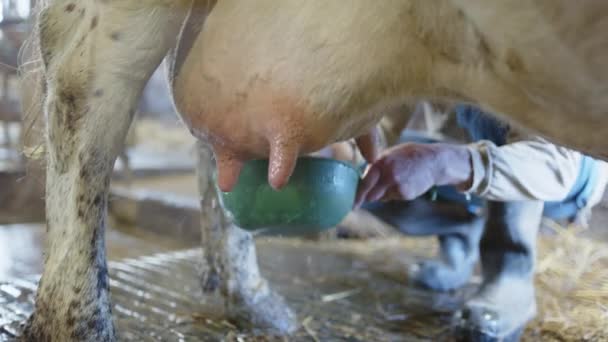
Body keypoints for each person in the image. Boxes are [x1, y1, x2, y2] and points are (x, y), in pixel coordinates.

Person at [348, 102, 608, 339]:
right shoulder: (423, 53)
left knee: (498, 130)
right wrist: (347, 154)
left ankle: (510, 276)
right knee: (371, 170)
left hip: (562, 171)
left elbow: (556, 168)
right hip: (474, 155)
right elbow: (387, 124)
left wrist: (439, 163)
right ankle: (460, 240)